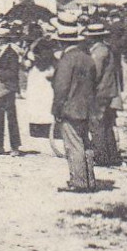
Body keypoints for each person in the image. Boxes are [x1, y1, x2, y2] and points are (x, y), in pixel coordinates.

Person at [50, 20, 99, 193]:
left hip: (70, 108)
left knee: (73, 145)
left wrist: (56, 109)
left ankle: (78, 182)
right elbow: (94, 84)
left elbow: (61, 88)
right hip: (87, 107)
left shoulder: (66, 60)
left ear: (62, 42)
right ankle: (90, 180)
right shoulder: (88, 59)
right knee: (85, 143)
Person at [85, 19, 122, 169]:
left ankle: (100, 156)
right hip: (108, 91)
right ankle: (111, 155)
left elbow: (96, 72)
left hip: (100, 92)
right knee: (107, 124)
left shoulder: (98, 52)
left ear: (93, 37)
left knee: (97, 123)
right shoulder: (106, 48)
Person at [0, 23, 27, 156]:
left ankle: (15, 146)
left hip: (9, 88)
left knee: (11, 117)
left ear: (3, 40)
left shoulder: (11, 53)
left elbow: (13, 72)